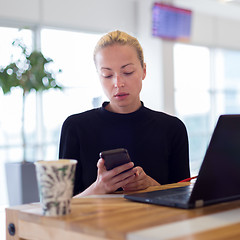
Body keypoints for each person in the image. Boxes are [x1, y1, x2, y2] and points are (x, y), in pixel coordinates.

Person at [59, 30, 190, 197]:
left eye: (127, 72)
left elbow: (185, 198)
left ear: (143, 71)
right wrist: (99, 188)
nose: (118, 83)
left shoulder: (172, 128)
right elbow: (61, 205)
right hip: (92, 223)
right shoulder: (76, 127)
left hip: (155, 223)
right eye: (107, 75)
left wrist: (151, 185)